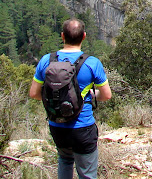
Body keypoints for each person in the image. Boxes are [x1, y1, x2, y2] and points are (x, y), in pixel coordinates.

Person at [29, 18, 112, 179]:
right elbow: (106, 95)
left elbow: (33, 93)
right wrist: (92, 95)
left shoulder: (47, 60)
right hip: (83, 127)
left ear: (62, 36)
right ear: (84, 36)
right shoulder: (92, 63)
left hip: (57, 125)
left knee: (65, 160)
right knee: (87, 173)